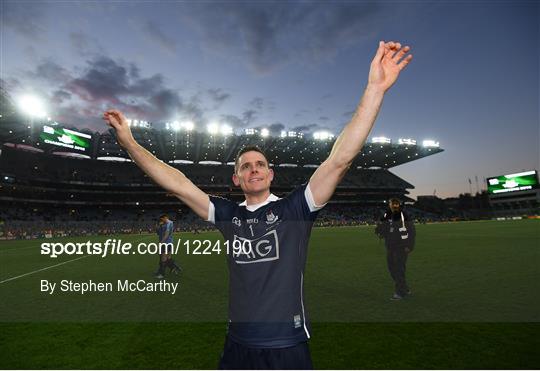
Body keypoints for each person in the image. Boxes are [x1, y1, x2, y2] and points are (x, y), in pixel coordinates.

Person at [103, 40, 412, 369]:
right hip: (237, 345)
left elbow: (339, 160)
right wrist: (130, 142)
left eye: (260, 164)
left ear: (270, 174)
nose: (254, 169)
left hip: (286, 346)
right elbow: (177, 184)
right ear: (236, 179)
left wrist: (374, 89)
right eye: (245, 166)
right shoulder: (227, 215)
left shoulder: (296, 210)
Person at [375, 198, 416, 300]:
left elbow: (411, 231)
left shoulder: (402, 215)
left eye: (391, 203)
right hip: (390, 246)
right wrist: (379, 230)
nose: (390, 205)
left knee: (399, 269)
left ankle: (400, 292)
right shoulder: (387, 214)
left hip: (401, 247)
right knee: (392, 269)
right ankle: (404, 288)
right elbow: (386, 227)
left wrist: (408, 246)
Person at [155, 214, 181, 279]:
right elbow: (159, 233)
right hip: (165, 243)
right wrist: (157, 227)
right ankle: (175, 268)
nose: (161, 221)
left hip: (167, 243)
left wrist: (160, 244)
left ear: (165, 218)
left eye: (162, 219)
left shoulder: (169, 223)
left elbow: (166, 235)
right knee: (166, 258)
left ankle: (162, 274)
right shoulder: (163, 224)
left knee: (163, 259)